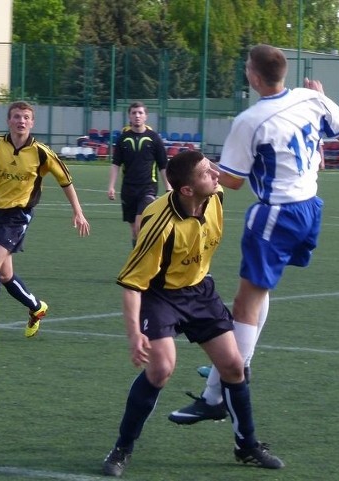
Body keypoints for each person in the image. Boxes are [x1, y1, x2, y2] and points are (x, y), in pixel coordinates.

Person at [168, 44, 339, 425]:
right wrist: (321, 100)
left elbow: (232, 181)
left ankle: (217, 392)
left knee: (244, 304)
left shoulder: (251, 120)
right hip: (309, 207)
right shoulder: (312, 98)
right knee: (259, 291)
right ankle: (236, 366)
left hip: (276, 213)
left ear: (253, 76)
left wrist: (201, 167)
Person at [102, 150, 284, 478]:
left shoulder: (215, 197)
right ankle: (122, 447)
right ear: (186, 190)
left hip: (200, 290)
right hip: (160, 296)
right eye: (205, 172)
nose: (215, 174)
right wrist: (134, 334)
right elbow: (131, 283)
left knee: (232, 365)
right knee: (161, 369)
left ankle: (247, 445)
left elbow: (240, 174)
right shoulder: (158, 222)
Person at [0, 100, 91, 341]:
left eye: (26, 117)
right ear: (9, 120)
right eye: (16, 116)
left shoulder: (41, 152)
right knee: (5, 275)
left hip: (18, 216)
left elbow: (65, 180)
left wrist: (78, 212)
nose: (21, 121)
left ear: (32, 122)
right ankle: (36, 307)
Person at [107, 101, 171, 247]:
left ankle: (146, 261)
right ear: (129, 116)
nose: (137, 116)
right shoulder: (123, 139)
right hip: (128, 190)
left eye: (140, 113)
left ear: (146, 116)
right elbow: (116, 164)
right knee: (134, 231)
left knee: (139, 225)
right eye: (134, 113)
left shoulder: (154, 138)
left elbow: (163, 165)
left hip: (148, 188)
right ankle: (138, 261)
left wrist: (169, 187)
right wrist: (111, 186)